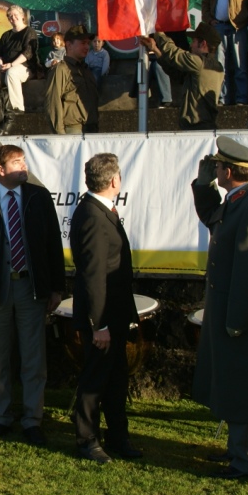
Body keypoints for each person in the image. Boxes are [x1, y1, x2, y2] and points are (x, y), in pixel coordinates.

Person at [0, 144, 62, 446]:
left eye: (24, 160)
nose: (23, 166)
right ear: (0, 170)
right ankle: (0, 417)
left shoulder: (38, 197)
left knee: (34, 359)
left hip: (30, 288)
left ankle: (33, 420)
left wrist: (56, 287)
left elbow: (53, 243)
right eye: (16, 162)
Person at [191, 137, 248, 479]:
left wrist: (237, 319)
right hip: (227, 310)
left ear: (228, 171)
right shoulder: (236, 201)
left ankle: (247, 460)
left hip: (239, 314)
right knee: (228, 380)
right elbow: (212, 217)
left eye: (217, 167)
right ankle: (236, 451)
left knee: (241, 386)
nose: (215, 171)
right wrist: (202, 186)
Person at [69, 153, 141, 463]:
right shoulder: (93, 216)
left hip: (115, 313)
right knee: (95, 379)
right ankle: (87, 439)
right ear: (114, 180)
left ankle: (117, 435)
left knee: (116, 378)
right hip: (102, 318)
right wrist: (98, 325)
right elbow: (94, 275)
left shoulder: (101, 210)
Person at [139, 23, 223, 130]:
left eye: (194, 41)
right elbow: (177, 75)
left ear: (203, 44)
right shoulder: (216, 66)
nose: (191, 45)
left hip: (197, 126)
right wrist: (155, 50)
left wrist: (157, 30)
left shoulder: (199, 63)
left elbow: (173, 53)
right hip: (203, 125)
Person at [201, 0, 248, 105]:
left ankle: (241, 99)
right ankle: (222, 98)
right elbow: (205, 3)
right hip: (219, 26)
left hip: (238, 28)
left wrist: (244, 20)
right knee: (220, 66)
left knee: (240, 66)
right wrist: (209, 20)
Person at [45, 24, 99, 134]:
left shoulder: (86, 70)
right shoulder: (61, 69)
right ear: (69, 45)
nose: (87, 47)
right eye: (83, 43)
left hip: (91, 128)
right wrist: (61, 135)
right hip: (72, 129)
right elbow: (53, 103)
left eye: (88, 43)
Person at [0, 5, 37, 112]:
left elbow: (28, 53)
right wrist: (0, 64)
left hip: (25, 67)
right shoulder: (5, 35)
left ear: (22, 16)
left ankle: (17, 109)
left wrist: (11, 65)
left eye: (15, 14)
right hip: (5, 67)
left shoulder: (29, 32)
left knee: (12, 73)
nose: (12, 17)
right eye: (10, 16)